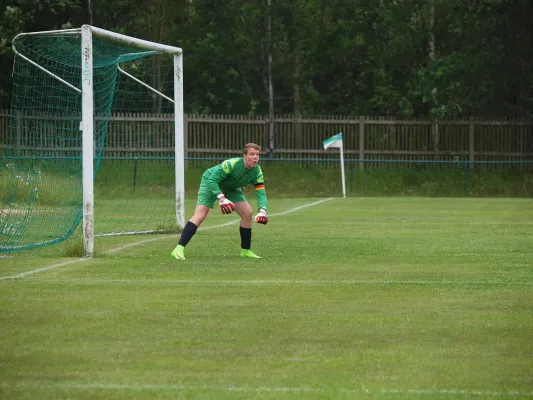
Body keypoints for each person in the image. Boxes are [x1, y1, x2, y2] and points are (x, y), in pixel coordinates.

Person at [170, 143, 268, 260]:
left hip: (231, 188)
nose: (255, 157)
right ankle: (178, 249)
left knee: (247, 213)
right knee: (200, 215)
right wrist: (221, 198)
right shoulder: (231, 164)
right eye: (252, 154)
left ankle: (246, 251)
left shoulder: (257, 171)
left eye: (257, 154)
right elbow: (212, 180)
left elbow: (261, 192)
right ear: (244, 156)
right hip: (210, 183)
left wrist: (262, 210)